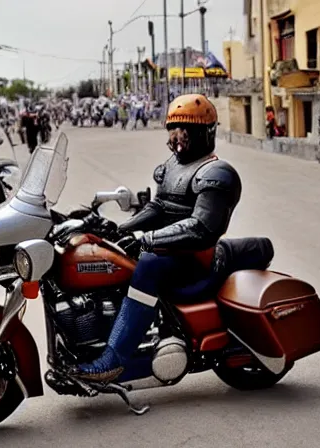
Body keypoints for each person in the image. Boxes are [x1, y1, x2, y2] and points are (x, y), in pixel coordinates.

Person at [73, 94, 242, 382]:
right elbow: (158, 206)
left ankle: (114, 360)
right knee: (111, 258)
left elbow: (200, 228)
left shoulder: (217, 173)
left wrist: (145, 239)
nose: (177, 139)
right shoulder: (172, 167)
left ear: (204, 133)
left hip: (195, 257)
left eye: (184, 131)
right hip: (168, 249)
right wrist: (123, 229)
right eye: (173, 131)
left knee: (147, 265)